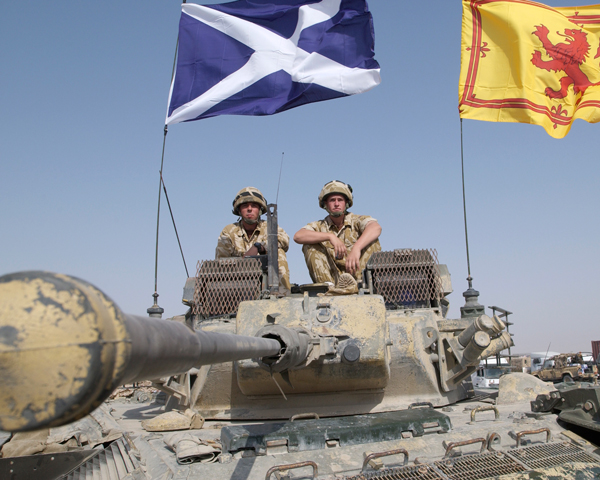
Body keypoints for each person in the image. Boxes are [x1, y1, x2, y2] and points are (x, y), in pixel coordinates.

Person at [293, 180, 381, 285]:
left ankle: (366, 284)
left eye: (340, 200)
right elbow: (298, 236)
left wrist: (356, 248)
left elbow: (375, 227)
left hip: (358, 276)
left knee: (372, 241)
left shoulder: (357, 220)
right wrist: (330, 236)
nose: (336, 204)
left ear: (346, 203)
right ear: (325, 204)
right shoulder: (320, 226)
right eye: (332, 200)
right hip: (333, 281)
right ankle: (326, 286)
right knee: (309, 244)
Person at [215, 187, 291, 291]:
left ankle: (281, 295)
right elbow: (221, 262)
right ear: (239, 210)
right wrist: (243, 263)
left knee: (278, 252)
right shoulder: (229, 231)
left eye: (254, 206)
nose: (249, 209)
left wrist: (260, 247)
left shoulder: (269, 227)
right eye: (245, 206)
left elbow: (284, 240)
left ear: (260, 210)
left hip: (267, 282)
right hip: (237, 282)